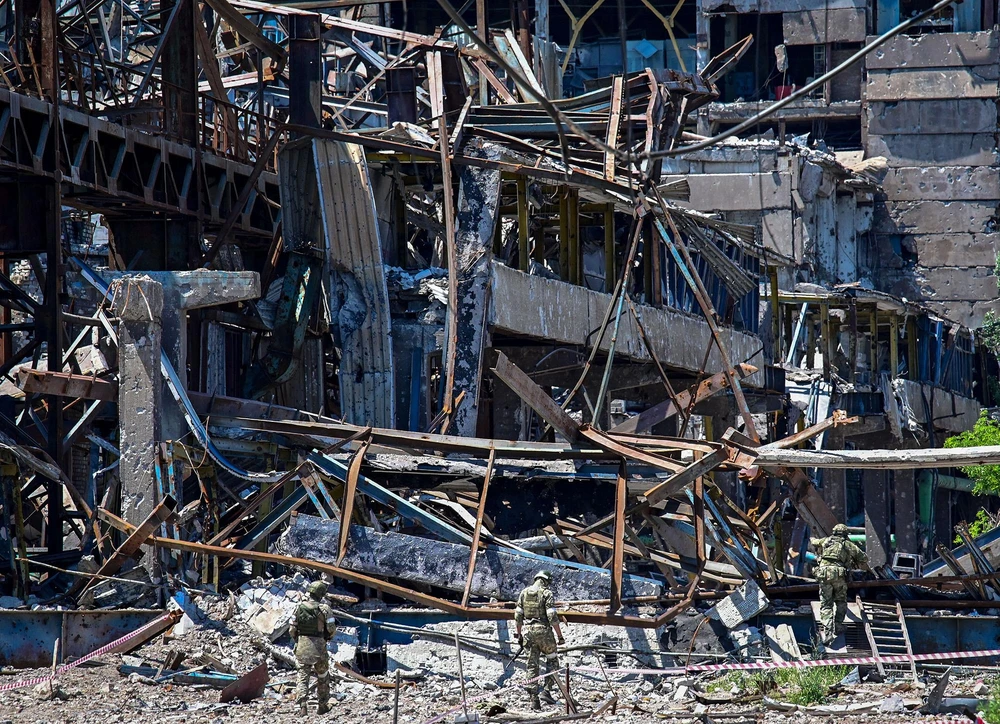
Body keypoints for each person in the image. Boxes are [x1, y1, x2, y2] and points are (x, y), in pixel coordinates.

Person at [810, 524, 869, 645]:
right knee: (840, 601)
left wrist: (812, 538)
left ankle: (827, 633)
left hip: (824, 574)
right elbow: (864, 558)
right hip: (839, 575)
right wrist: (853, 562)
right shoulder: (847, 544)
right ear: (846, 534)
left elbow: (814, 542)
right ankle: (837, 625)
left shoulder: (826, 540)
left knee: (826, 604)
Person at [515, 570, 565, 711]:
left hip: (528, 632)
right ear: (546, 581)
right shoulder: (547, 593)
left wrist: (518, 634)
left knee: (532, 665)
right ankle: (546, 691)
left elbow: (518, 616)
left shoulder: (524, 593)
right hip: (544, 632)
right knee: (552, 659)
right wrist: (560, 636)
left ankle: (534, 699)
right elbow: (552, 617)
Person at [290, 580, 336, 714]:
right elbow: (331, 628)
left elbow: (292, 629)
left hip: (303, 646)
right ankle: (322, 706)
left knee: (302, 676)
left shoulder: (298, 607)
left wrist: (298, 640)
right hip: (319, 647)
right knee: (322, 676)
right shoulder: (325, 609)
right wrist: (327, 638)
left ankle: (303, 706)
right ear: (321, 594)